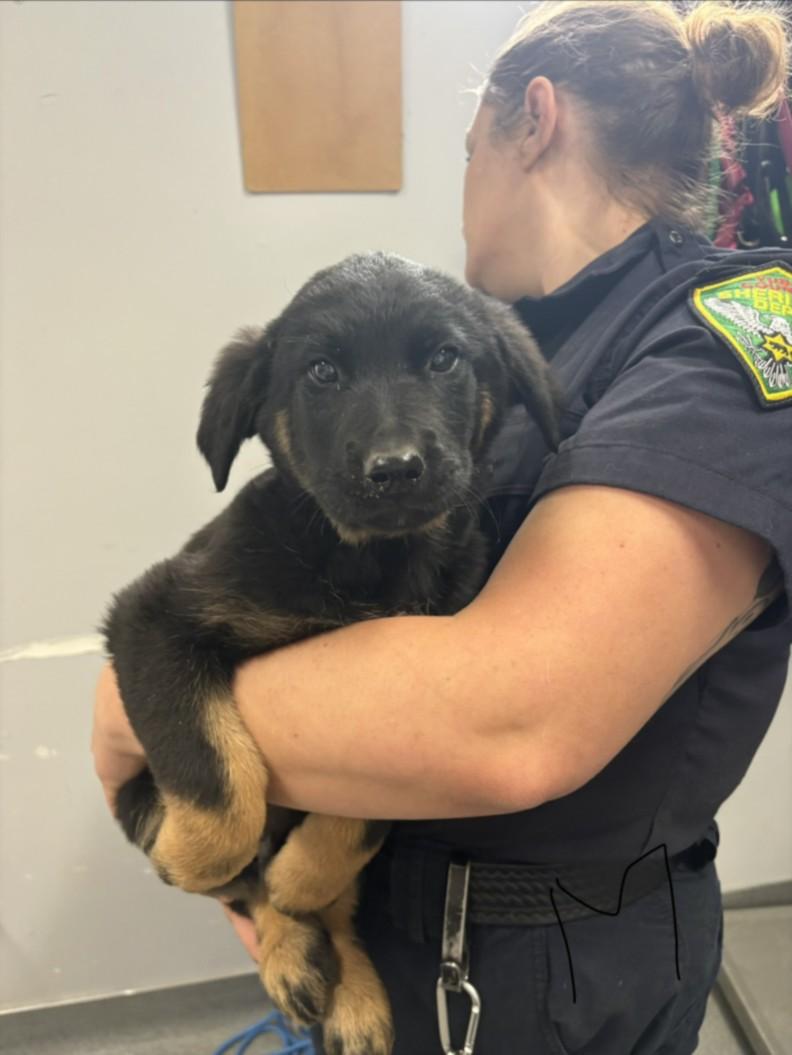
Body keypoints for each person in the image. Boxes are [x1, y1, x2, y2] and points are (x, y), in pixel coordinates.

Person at [93, 2, 792, 1052]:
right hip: (389, 924)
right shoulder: (511, 332)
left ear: (534, 122)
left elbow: (509, 722)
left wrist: (128, 712)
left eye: (467, 151)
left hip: (532, 968)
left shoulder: (725, 344)